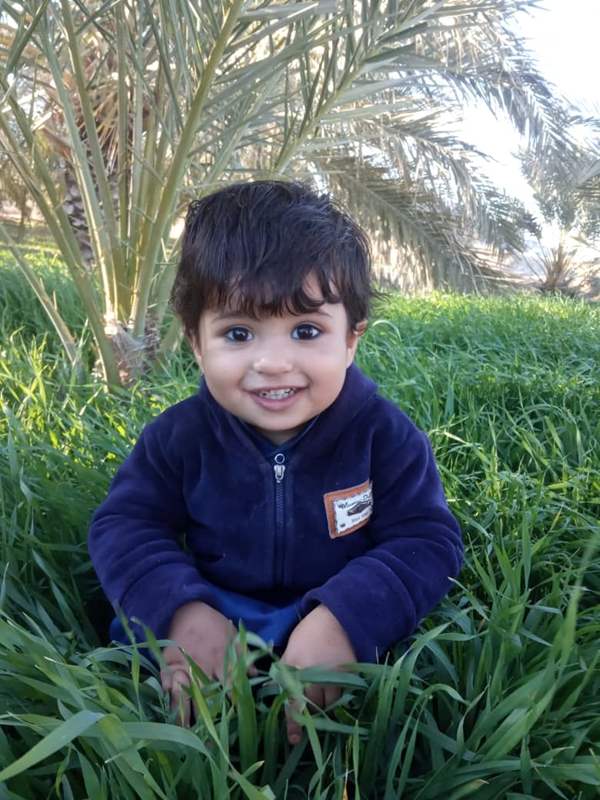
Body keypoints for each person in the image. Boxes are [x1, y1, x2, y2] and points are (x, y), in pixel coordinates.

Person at [88, 179, 463, 745]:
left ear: (351, 340)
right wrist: (182, 612)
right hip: (214, 604)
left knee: (387, 696)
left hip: (334, 608)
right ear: (196, 343)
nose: (272, 362)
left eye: (306, 331)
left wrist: (344, 620)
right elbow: (125, 524)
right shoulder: (179, 437)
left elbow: (427, 540)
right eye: (238, 333)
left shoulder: (385, 437)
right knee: (145, 665)